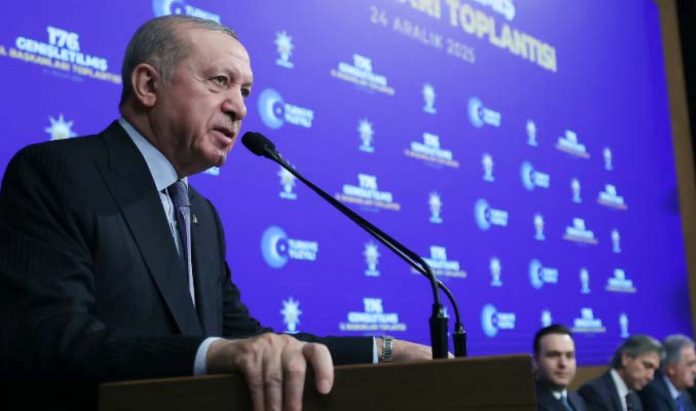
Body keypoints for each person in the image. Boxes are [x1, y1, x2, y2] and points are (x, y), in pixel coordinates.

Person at [0, 15, 431, 410]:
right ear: (148, 85)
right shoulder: (57, 174)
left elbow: (246, 340)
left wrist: (384, 352)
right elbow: (48, 340)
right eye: (220, 81)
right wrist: (211, 354)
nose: (239, 108)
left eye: (244, 92)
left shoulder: (202, 216)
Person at [579, 335, 663, 411]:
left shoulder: (634, 398)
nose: (650, 377)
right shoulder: (594, 392)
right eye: (647, 366)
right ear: (626, 358)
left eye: (654, 370)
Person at [532, 324, 588, 411]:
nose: (563, 363)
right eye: (553, 355)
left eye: (569, 355)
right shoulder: (528, 402)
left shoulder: (578, 400)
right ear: (536, 361)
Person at [638, 334, 696, 410]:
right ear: (671, 369)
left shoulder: (686, 392)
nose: (694, 370)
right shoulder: (653, 391)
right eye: (690, 364)